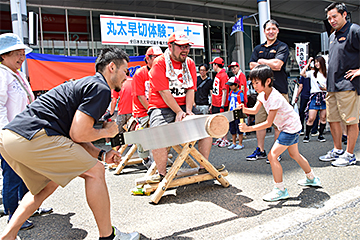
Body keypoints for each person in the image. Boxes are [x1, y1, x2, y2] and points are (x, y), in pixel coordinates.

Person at [0, 47, 140, 240]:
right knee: (95, 172)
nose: (127, 76)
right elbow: (79, 133)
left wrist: (101, 154)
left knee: (45, 188)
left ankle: (7, 236)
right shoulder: (101, 88)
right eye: (126, 70)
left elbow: (73, 138)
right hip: (35, 135)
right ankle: (109, 236)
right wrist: (106, 131)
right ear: (112, 67)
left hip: (10, 138)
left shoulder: (87, 85)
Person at [239, 65, 321, 201]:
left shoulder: (275, 97)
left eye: (256, 83)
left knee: (272, 156)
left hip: (290, 127)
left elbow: (268, 123)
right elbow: (254, 110)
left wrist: (249, 128)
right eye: (252, 83)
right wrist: (244, 109)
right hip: (289, 126)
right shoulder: (262, 94)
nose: (254, 86)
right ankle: (312, 178)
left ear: (267, 81)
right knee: (294, 154)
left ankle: (280, 189)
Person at [0, 33, 52, 231]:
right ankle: (13, 215)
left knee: (28, 173)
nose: (21, 58)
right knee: (12, 175)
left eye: (23, 53)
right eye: (17, 54)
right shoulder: (2, 74)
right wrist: (5, 133)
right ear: (4, 55)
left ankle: (28, 207)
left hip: (24, 134)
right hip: (10, 135)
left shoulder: (17, 74)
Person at [147, 32, 215, 182]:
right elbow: (164, 92)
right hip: (160, 107)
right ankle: (162, 175)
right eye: (181, 46)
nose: (185, 50)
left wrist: (188, 111)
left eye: (187, 46)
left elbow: (190, 89)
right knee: (158, 135)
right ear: (170, 46)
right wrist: (178, 111)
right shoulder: (159, 63)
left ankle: (204, 168)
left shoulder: (189, 63)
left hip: (185, 104)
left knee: (207, 127)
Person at [319, 2, 360, 167]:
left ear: (344, 15)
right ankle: (337, 150)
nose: (331, 20)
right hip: (332, 86)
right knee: (333, 120)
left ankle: (350, 154)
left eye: (334, 16)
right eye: (329, 18)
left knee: (350, 121)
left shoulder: (354, 30)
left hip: (348, 85)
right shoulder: (332, 35)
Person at [247, 19, 290, 162]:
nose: (270, 31)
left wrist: (261, 61)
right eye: (268, 29)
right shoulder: (258, 48)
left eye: (273, 29)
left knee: (279, 123)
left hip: (280, 90)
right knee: (260, 122)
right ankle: (260, 150)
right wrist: (266, 62)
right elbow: (252, 65)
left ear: (277, 30)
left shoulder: (282, 46)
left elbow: (278, 65)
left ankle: (276, 151)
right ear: (264, 31)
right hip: (262, 93)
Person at [132, 46, 163, 169]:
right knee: (142, 134)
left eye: (160, 57)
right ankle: (145, 158)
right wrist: (152, 111)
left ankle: (161, 157)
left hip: (158, 108)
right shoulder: (140, 73)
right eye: (155, 57)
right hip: (143, 110)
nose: (158, 60)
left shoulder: (162, 72)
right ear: (148, 59)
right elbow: (140, 96)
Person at [300, 56, 327, 143]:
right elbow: (302, 73)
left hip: (324, 95)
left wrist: (325, 88)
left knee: (323, 117)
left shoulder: (327, 73)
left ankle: (320, 135)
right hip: (314, 96)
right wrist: (308, 63)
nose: (316, 64)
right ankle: (307, 135)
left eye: (318, 62)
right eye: (315, 62)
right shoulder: (312, 72)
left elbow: (330, 86)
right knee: (311, 117)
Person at [210, 57, 230, 148]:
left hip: (220, 102)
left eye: (213, 64)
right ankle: (220, 137)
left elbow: (224, 90)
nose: (212, 66)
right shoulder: (218, 74)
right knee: (217, 121)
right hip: (215, 102)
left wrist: (222, 104)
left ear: (216, 65)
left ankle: (225, 138)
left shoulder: (223, 75)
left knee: (222, 121)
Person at [226, 77, 245, 150]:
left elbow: (242, 103)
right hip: (231, 112)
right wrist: (228, 111)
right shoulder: (231, 92)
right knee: (232, 128)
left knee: (239, 128)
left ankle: (240, 143)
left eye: (232, 85)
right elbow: (230, 102)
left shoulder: (240, 93)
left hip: (238, 112)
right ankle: (234, 143)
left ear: (236, 85)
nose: (230, 87)